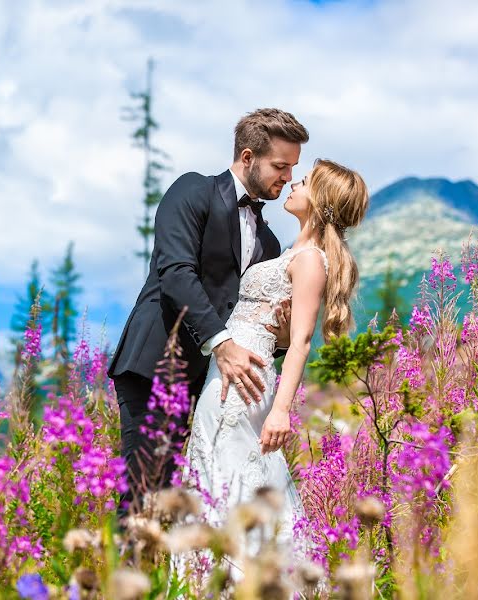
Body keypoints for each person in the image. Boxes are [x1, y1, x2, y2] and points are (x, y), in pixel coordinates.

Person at [108, 109, 310, 516]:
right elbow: (176, 273)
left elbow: (250, 320)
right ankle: (121, 579)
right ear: (248, 156)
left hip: (210, 386)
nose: (287, 177)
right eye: (280, 166)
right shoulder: (192, 190)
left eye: (293, 168)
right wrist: (220, 343)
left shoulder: (269, 242)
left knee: (187, 502)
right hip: (153, 365)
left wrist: (280, 339)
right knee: (143, 493)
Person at [182, 157, 369, 572]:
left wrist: (282, 410)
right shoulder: (295, 253)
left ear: (319, 202)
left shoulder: (310, 260)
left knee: (227, 466)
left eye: (302, 181)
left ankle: (238, 575)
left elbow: (301, 342)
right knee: (219, 464)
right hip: (232, 366)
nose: (292, 184)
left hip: (245, 376)